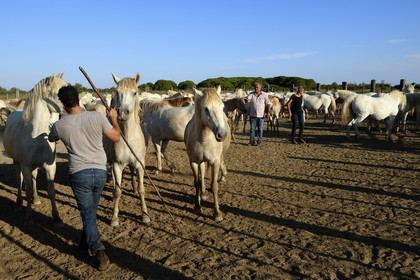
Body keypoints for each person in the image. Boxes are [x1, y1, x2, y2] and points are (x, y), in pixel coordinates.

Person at [49, 85, 121, 271]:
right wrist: (113, 118)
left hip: (79, 174)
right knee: (90, 213)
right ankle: (83, 246)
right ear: (79, 98)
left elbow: (51, 138)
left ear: (63, 105)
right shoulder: (96, 117)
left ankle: (99, 251)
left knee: (88, 214)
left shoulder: (60, 125)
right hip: (100, 172)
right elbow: (115, 136)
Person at [246, 82, 271, 146]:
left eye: (257, 87)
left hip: (261, 115)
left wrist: (268, 112)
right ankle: (251, 141)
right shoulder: (251, 94)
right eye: (255, 87)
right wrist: (245, 100)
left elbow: (268, 104)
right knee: (252, 129)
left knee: (260, 130)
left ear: (260, 88)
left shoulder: (264, 95)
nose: (256, 88)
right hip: (253, 115)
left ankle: (259, 141)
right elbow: (247, 99)